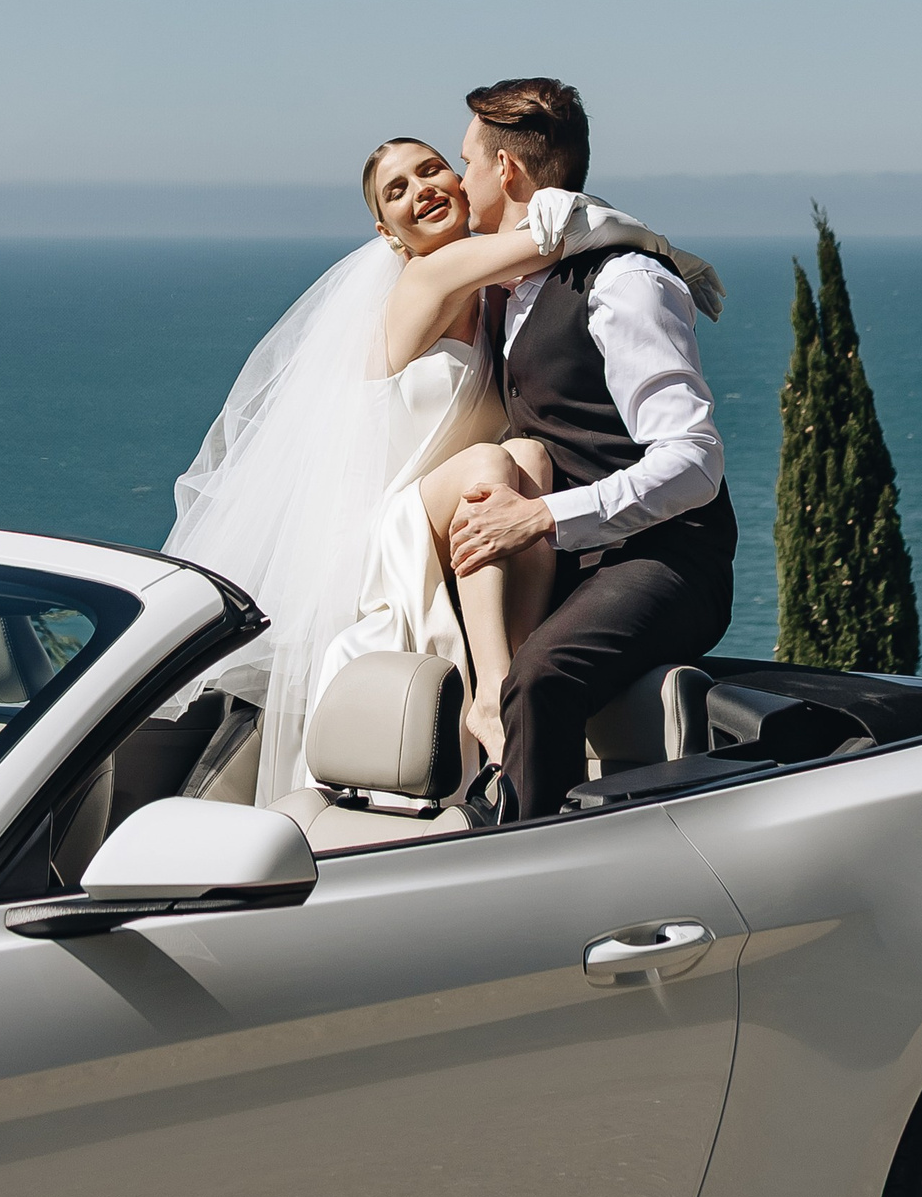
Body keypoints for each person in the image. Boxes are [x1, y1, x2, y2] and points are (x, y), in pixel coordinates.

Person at [165, 131, 717, 801]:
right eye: (396, 190)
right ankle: (492, 692)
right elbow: (559, 240)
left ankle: (514, 668)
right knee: (490, 462)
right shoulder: (428, 277)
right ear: (387, 231)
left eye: (432, 169)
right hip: (390, 525)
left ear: (461, 180)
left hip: (464, 512)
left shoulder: (496, 296)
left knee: (528, 454)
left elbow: (551, 255)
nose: (421, 189)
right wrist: (657, 248)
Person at [443, 76, 737, 822]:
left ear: (507, 169)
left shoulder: (625, 281)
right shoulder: (504, 286)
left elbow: (694, 460)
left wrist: (542, 518)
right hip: (571, 559)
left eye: (467, 161)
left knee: (539, 676)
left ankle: (530, 869)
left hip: (669, 558)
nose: (459, 179)